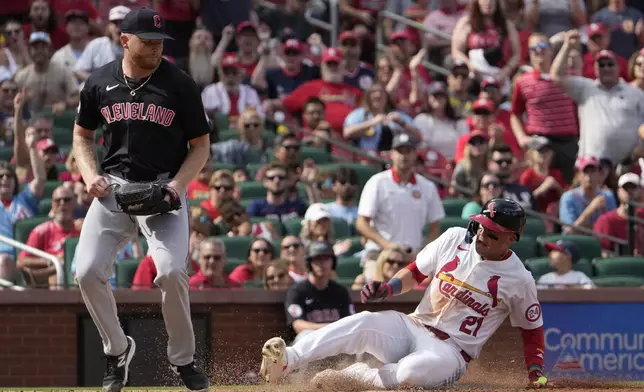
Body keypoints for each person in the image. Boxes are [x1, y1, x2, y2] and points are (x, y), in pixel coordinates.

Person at [260, 199, 548, 390]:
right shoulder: (454, 238)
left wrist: (535, 372)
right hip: (414, 325)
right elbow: (416, 271)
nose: (484, 236)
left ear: (513, 238)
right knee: (363, 322)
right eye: (483, 227)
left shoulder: (519, 279)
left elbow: (532, 329)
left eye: (494, 234)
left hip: (451, 352)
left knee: (411, 374)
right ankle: (290, 358)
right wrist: (388, 288)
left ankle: (356, 377)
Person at [71, 8, 210, 392]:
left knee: (169, 272)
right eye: (147, 41)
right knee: (85, 272)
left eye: (160, 42)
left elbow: (201, 147)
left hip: (164, 189)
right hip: (115, 187)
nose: (155, 48)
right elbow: (82, 135)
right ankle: (117, 349)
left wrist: (178, 186)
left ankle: (183, 360)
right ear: (125, 40)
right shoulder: (99, 81)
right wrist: (89, 175)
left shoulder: (179, 84)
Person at [283, 241, 354, 344]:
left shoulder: (340, 291)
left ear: (332, 262)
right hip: (311, 340)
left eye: (326, 259)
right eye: (317, 260)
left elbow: (350, 322)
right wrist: (328, 328)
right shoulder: (297, 290)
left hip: (336, 339)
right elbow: (298, 325)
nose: (322, 264)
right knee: (305, 336)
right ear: (309, 263)